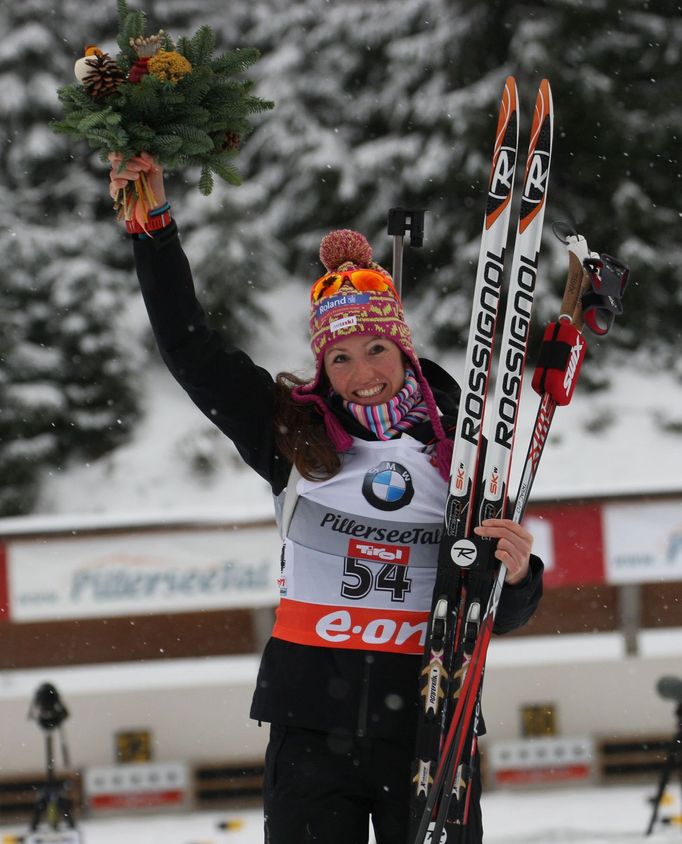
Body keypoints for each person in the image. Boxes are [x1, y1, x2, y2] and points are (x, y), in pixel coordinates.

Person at [108, 152, 544, 844]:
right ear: (322, 366)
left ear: (403, 349)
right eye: (340, 358)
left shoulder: (462, 449)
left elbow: (498, 608)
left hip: (430, 721)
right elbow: (190, 348)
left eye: (376, 349)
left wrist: (519, 575)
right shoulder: (291, 435)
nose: (361, 373)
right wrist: (152, 230)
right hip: (310, 724)